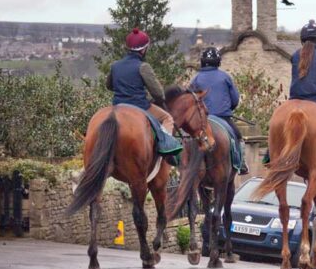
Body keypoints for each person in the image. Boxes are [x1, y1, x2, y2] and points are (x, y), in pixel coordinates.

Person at [106, 27, 179, 164]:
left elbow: (109, 86)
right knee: (167, 118)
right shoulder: (143, 66)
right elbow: (158, 93)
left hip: (118, 106)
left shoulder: (115, 66)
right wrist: (158, 100)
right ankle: (166, 149)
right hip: (139, 106)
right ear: (144, 49)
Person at [190, 47, 248, 175]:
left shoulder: (195, 79)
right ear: (218, 62)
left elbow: (190, 101)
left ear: (202, 62)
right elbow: (235, 100)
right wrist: (227, 109)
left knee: (186, 139)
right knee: (238, 137)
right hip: (223, 118)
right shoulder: (225, 77)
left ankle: (181, 167)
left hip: (201, 121)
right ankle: (242, 163)